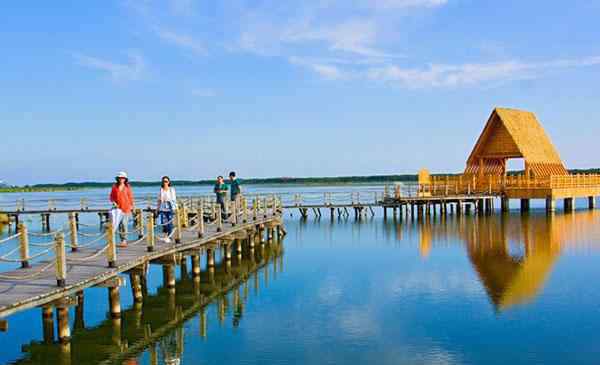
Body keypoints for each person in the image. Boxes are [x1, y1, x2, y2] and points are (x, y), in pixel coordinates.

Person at [109, 171, 134, 248]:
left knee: (124, 224)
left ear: (125, 179)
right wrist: (113, 202)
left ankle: (124, 240)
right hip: (118, 209)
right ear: (118, 179)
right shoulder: (114, 187)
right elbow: (111, 197)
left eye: (123, 178)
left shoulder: (127, 186)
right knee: (118, 225)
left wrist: (132, 206)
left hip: (126, 208)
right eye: (120, 178)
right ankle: (120, 240)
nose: (121, 179)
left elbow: (130, 196)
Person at [157, 176, 177, 243]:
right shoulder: (161, 190)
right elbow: (159, 200)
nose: (165, 183)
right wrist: (157, 209)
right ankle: (166, 236)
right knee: (164, 223)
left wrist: (174, 208)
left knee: (170, 223)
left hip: (170, 207)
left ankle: (169, 237)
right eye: (163, 181)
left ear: (168, 182)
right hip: (163, 208)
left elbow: (174, 199)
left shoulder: (171, 189)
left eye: (166, 181)